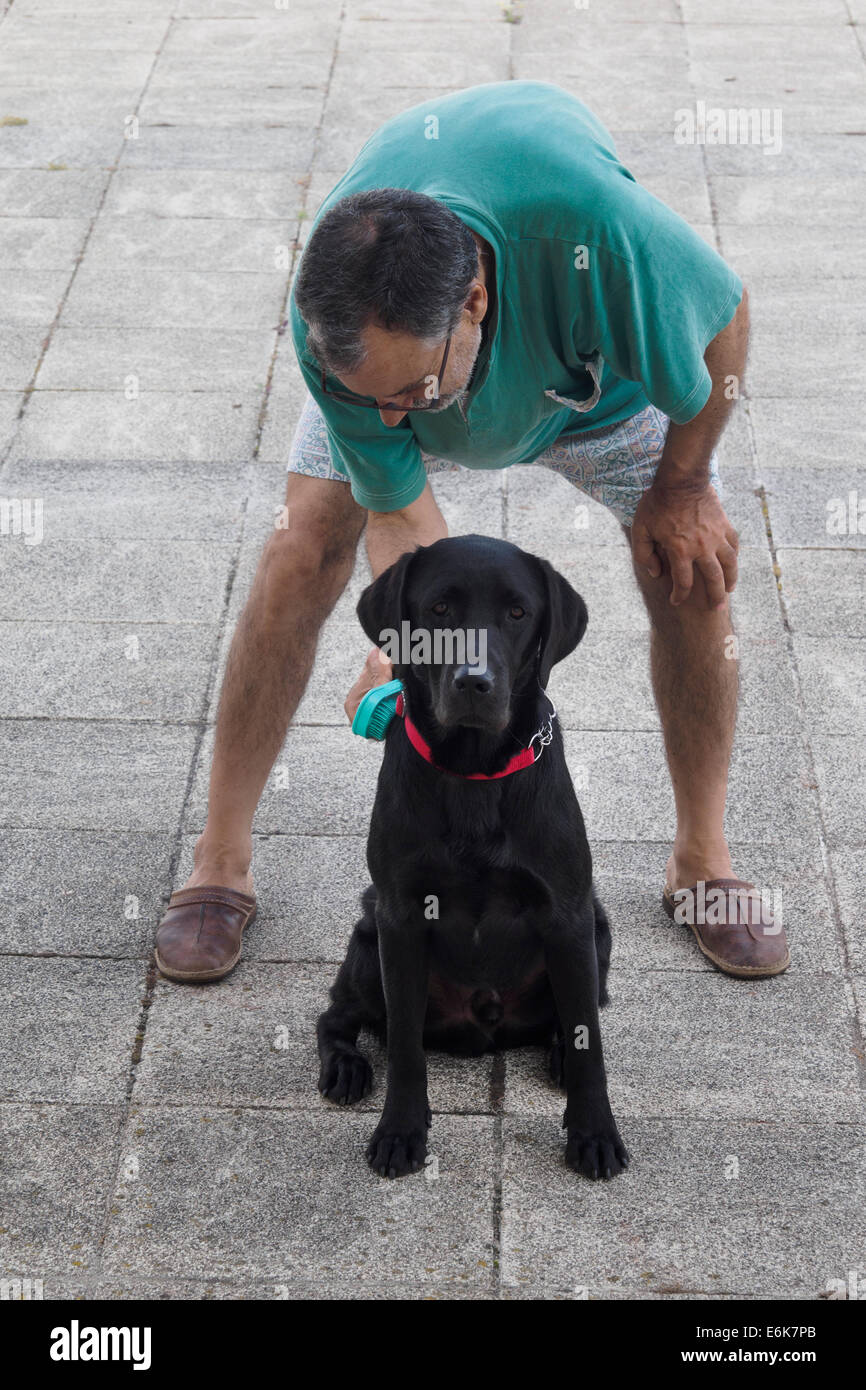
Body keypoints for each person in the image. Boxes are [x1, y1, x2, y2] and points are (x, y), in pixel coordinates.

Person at [155, 80, 788, 985]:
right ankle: (219, 863)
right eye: (373, 397)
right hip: (405, 351)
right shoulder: (342, 333)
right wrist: (412, 644)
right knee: (298, 553)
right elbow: (404, 515)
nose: (393, 416)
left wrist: (683, 486)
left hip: (590, 389)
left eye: (409, 391)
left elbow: (726, 322)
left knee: (690, 562)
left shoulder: (595, 229)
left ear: (476, 302)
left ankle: (704, 861)